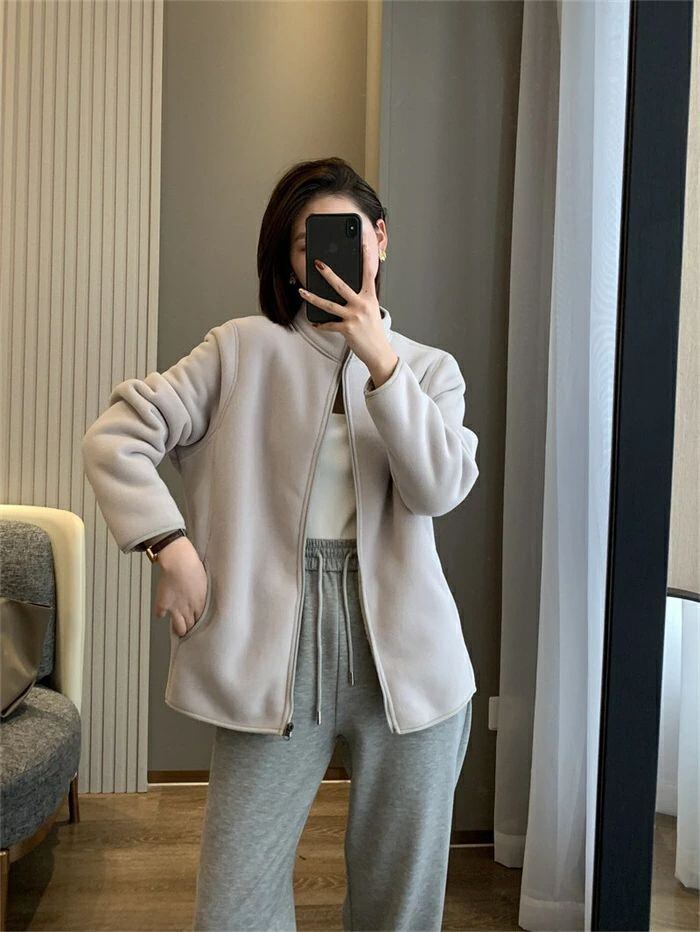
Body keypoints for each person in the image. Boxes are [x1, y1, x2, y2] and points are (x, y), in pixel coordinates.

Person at [82, 156, 479, 931]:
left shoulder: (430, 371)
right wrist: (170, 545)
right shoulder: (239, 350)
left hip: (410, 659)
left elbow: (436, 489)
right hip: (272, 647)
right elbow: (116, 437)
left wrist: (382, 362)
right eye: (306, 243)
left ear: (381, 239)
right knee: (234, 906)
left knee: (399, 907)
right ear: (287, 260)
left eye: (347, 234)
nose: (326, 257)